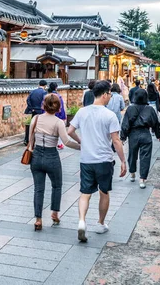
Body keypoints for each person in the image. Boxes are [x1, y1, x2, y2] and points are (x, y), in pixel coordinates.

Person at [68, 81, 127, 242]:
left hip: (86, 159)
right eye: (109, 94)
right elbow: (116, 140)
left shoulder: (82, 112)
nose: (110, 97)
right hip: (104, 159)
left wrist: (81, 141)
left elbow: (69, 131)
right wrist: (123, 160)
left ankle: (81, 221)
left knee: (85, 193)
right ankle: (100, 223)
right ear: (104, 94)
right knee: (104, 191)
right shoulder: (110, 115)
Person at [29, 94, 80, 231]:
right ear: (58, 107)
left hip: (36, 156)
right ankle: (55, 213)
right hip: (52, 156)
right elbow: (67, 141)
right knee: (57, 186)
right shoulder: (58, 122)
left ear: (43, 105)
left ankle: (38, 219)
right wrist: (81, 146)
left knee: (38, 189)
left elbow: (30, 139)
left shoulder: (36, 118)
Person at [120, 89, 160, 189]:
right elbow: (156, 123)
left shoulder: (130, 109)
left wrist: (123, 137)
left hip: (133, 134)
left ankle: (132, 172)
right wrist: (158, 135)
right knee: (145, 157)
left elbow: (125, 124)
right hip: (145, 133)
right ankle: (142, 179)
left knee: (132, 154)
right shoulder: (150, 109)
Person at [24, 80, 47, 145]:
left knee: (32, 125)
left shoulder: (33, 92)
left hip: (34, 111)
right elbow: (44, 102)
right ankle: (38, 140)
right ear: (45, 86)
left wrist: (32, 108)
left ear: (39, 84)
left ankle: (27, 140)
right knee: (41, 126)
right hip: (41, 111)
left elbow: (28, 100)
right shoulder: (44, 93)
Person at [46, 82, 67, 149]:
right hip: (57, 115)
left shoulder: (47, 96)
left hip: (48, 115)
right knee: (58, 130)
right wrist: (63, 116)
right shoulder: (58, 96)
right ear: (56, 88)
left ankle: (49, 143)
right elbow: (61, 107)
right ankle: (59, 144)